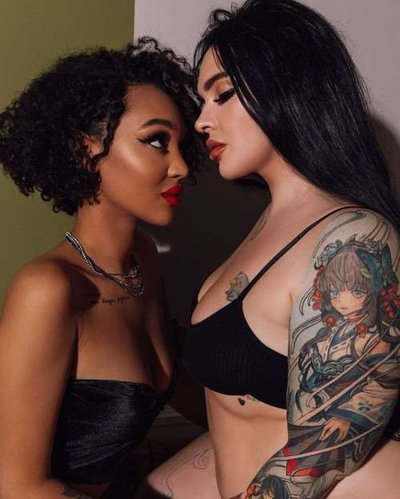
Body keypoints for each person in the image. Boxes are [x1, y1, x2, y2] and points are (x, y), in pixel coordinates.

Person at [138, 1, 400, 498]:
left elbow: (327, 447)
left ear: (288, 86)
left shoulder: (353, 240)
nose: (202, 121)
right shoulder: (270, 224)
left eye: (222, 95)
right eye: (202, 101)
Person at [0, 38, 205, 498]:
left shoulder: (144, 263)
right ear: (87, 151)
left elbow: (178, 391)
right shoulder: (48, 290)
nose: (180, 167)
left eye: (181, 145)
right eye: (157, 141)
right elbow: (19, 488)